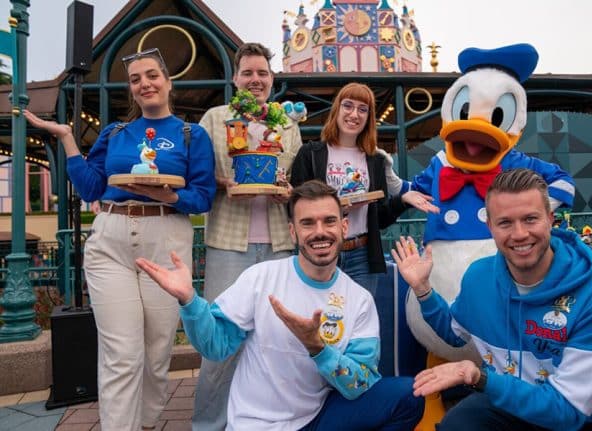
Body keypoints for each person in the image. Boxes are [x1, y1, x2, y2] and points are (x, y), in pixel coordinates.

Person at [24, 48, 216, 431]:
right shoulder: (115, 133)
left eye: (152, 75)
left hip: (165, 239)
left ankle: (146, 423)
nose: (144, 83)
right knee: (121, 353)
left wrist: (171, 196)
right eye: (135, 79)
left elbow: (204, 195)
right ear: (131, 89)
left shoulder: (191, 135)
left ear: (167, 81)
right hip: (110, 238)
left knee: (158, 350)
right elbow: (93, 185)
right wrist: (67, 139)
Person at [136, 180, 425, 430]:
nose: (320, 232)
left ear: (344, 226)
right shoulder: (261, 278)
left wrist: (318, 348)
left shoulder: (359, 300)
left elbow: (360, 383)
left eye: (329, 221)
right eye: (307, 223)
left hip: (317, 416)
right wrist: (189, 300)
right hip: (256, 424)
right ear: (293, 232)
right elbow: (215, 345)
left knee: (408, 396)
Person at [392, 168, 592, 431]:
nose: (519, 234)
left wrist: (479, 377)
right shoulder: (478, 276)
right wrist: (423, 289)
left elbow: (566, 411)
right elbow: (454, 332)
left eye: (530, 219)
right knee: (456, 425)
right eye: (505, 223)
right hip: (508, 405)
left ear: (551, 219)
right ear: (490, 227)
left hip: (582, 420)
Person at [195, 42, 302, 430]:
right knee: (218, 339)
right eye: (248, 73)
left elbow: (298, 182)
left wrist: (291, 191)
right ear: (235, 78)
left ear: (272, 81)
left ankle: (271, 421)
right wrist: (219, 181)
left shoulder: (287, 125)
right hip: (228, 241)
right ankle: (209, 425)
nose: (255, 80)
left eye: (262, 74)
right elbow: (199, 176)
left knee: (276, 339)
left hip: (279, 243)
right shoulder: (215, 118)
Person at [290, 82, 437, 297]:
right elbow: (295, 207)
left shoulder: (375, 160)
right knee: (321, 322)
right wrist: (339, 206)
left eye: (362, 109)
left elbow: (381, 218)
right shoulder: (311, 153)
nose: (354, 114)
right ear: (337, 110)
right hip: (321, 252)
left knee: (359, 322)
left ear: (368, 117)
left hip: (362, 255)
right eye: (348, 106)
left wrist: (403, 199)